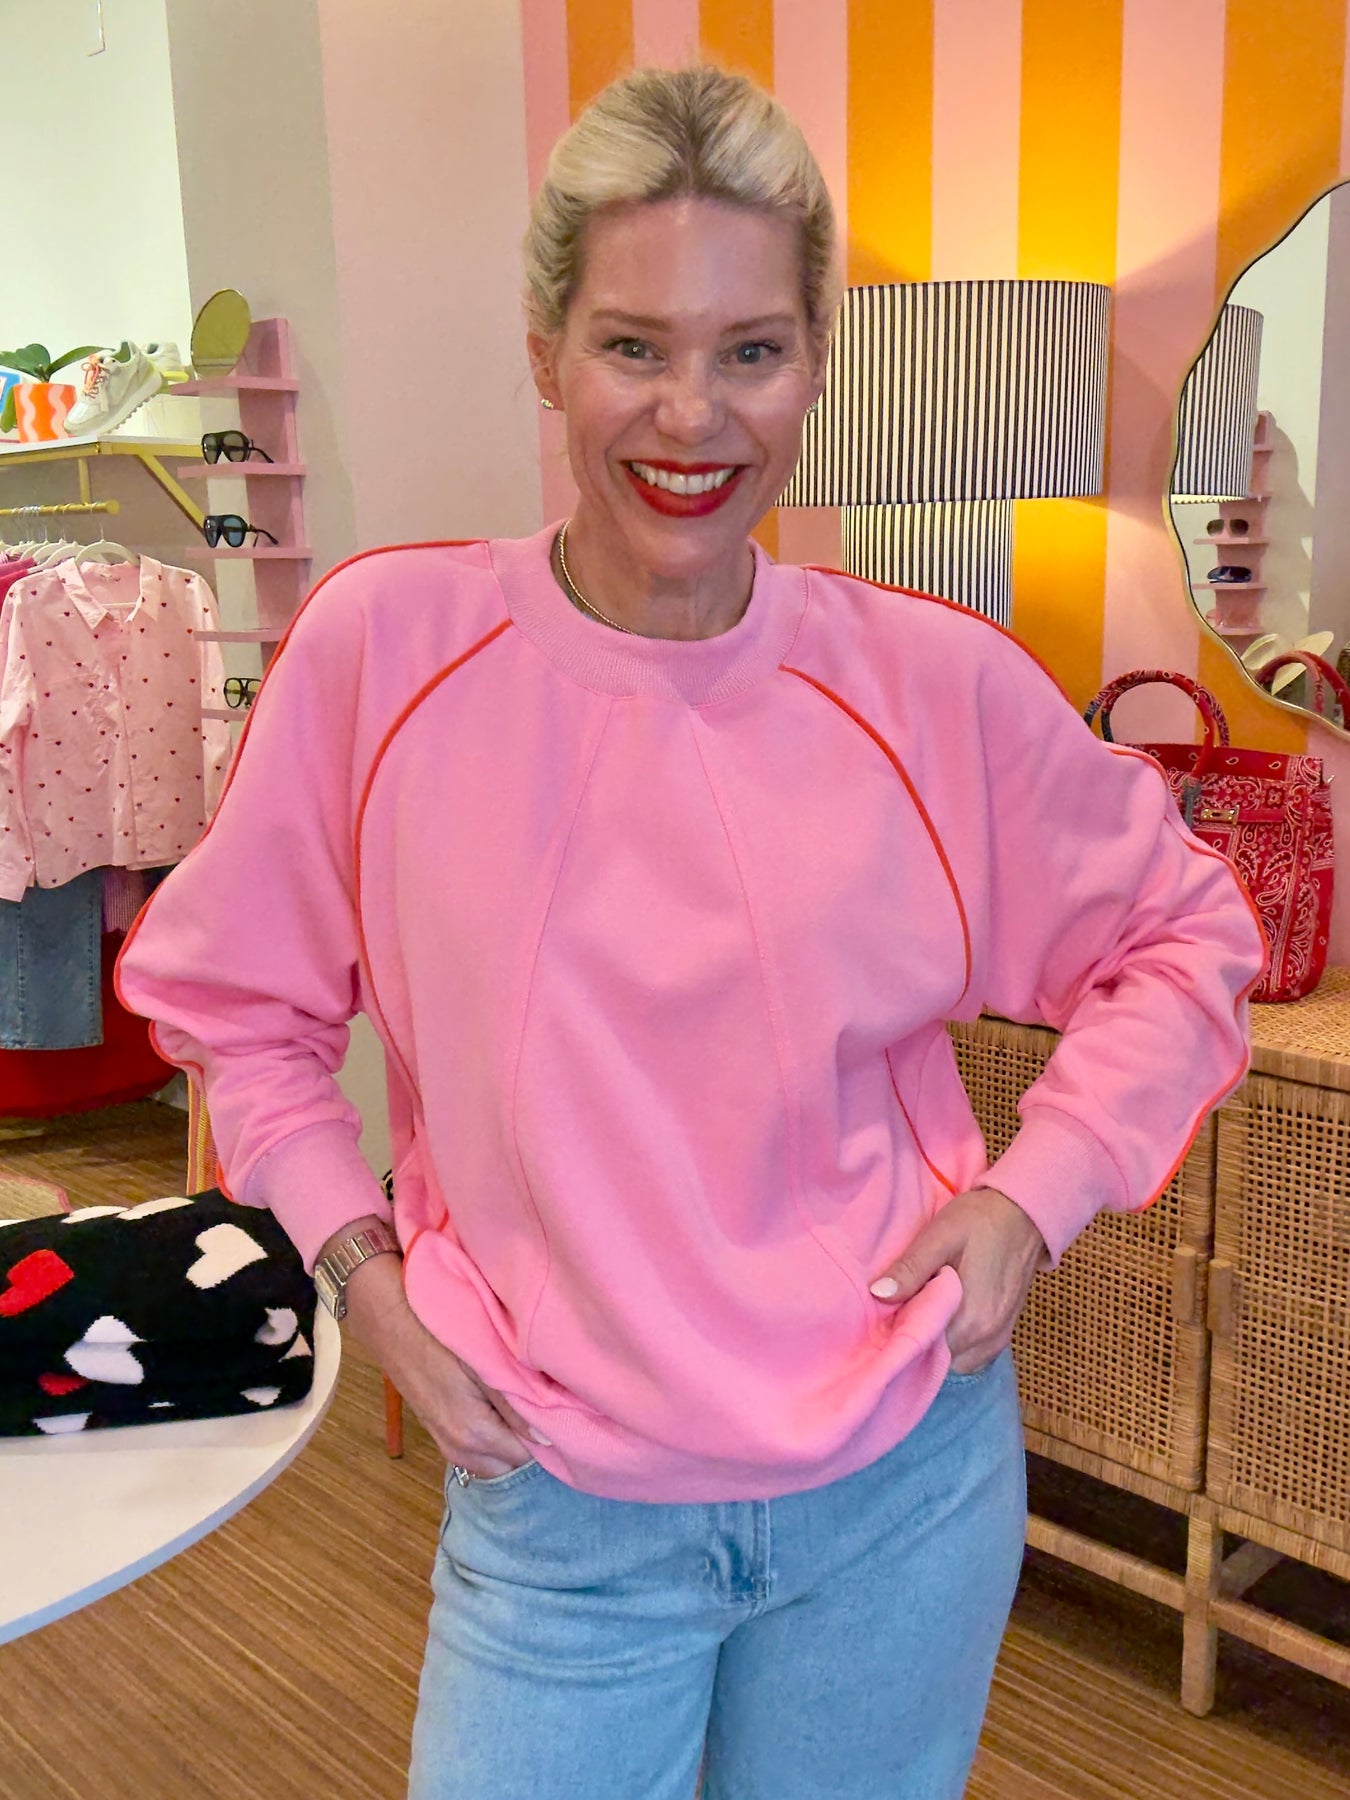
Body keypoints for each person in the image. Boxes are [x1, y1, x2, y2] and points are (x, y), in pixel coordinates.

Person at [117, 64, 1267, 1800]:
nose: (691, 414)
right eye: (632, 345)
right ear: (546, 353)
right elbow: (236, 1007)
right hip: (560, 1507)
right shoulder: (386, 653)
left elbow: (1184, 940)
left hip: (897, 1489)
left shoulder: (929, 683)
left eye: (751, 350)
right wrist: (365, 1279)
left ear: (813, 366)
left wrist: (1033, 1196)